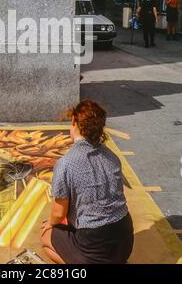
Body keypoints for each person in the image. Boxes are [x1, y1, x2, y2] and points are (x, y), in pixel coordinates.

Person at [40, 100, 134, 264]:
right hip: (124, 240)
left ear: (73, 122)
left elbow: (58, 213)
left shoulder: (66, 163)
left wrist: (49, 224)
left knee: (46, 237)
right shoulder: (112, 157)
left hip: (93, 241)